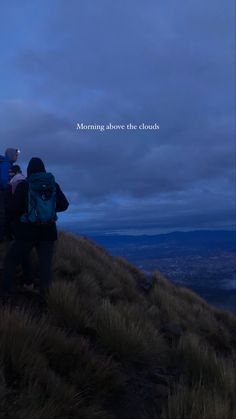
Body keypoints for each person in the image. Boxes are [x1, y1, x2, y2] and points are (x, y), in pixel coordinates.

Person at [1, 157, 69, 297]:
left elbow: (13, 208)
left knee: (11, 259)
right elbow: (64, 205)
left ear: (29, 170)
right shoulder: (53, 185)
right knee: (46, 266)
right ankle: (46, 297)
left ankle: (6, 291)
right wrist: (47, 209)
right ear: (43, 168)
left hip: (27, 232)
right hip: (48, 232)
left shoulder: (24, 185)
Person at [0, 148, 20, 241]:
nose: (17, 156)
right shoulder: (6, 164)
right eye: (16, 154)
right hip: (3, 193)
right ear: (11, 155)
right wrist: (12, 189)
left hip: (3, 192)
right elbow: (4, 180)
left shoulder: (6, 163)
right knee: (3, 214)